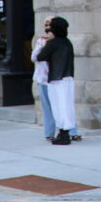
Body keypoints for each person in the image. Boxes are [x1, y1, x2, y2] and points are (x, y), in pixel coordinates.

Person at [40, 16, 77, 144]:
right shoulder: (67, 42)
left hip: (57, 79)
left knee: (58, 106)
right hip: (68, 78)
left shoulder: (53, 43)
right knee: (67, 106)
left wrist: (46, 42)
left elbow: (40, 56)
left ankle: (63, 134)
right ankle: (65, 133)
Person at [29, 20, 58, 141]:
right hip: (43, 78)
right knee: (47, 107)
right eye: (45, 25)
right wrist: (42, 45)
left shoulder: (60, 41)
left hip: (57, 79)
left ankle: (71, 131)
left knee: (61, 105)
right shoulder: (41, 41)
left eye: (50, 25)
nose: (47, 28)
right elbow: (34, 57)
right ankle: (49, 133)